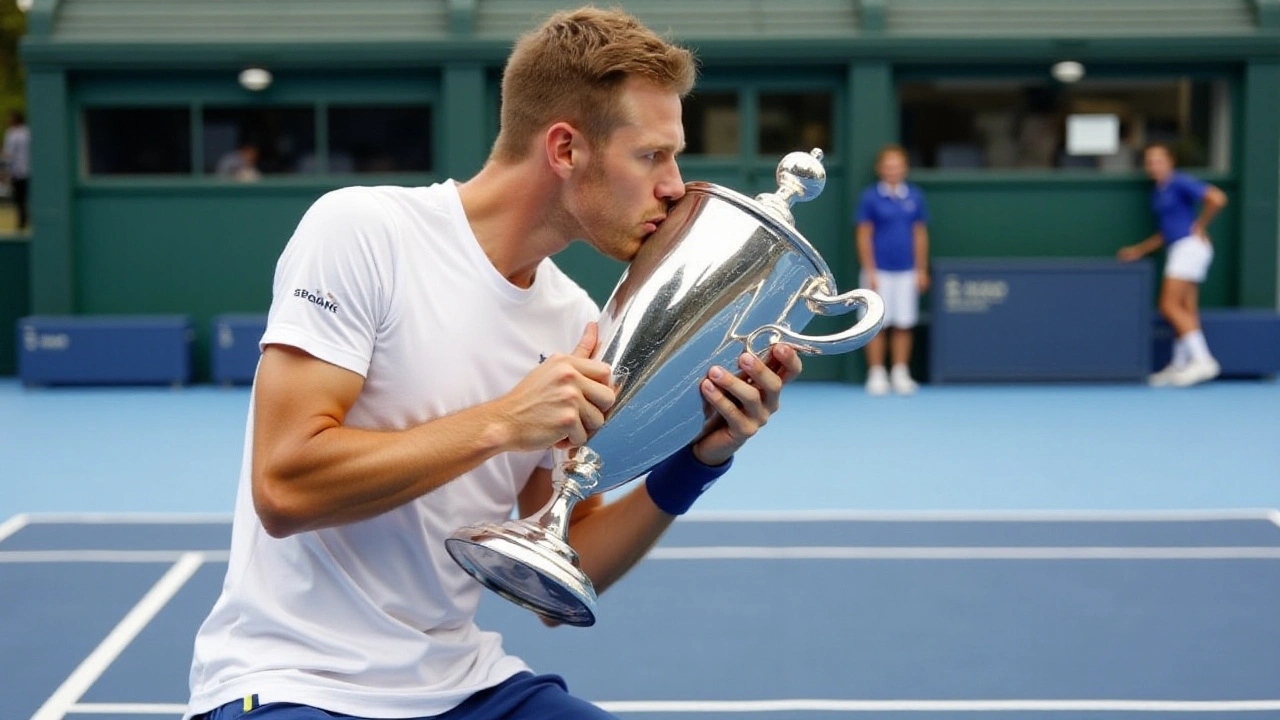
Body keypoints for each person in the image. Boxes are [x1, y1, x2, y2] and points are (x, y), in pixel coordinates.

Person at [184, 7, 802, 720]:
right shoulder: (362, 232)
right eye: (651, 155)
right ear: (566, 149)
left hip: (466, 684)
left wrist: (696, 461)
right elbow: (284, 488)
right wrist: (506, 422)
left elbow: (565, 574)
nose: (675, 185)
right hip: (294, 683)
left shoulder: (577, 320)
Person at [1117, 142, 1227, 387]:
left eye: (1158, 160)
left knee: (1168, 305)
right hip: (1180, 247)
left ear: (1170, 162)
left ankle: (1204, 360)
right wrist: (1139, 250)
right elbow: (1166, 232)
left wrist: (1200, 225)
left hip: (1189, 248)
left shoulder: (1179, 181)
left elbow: (1217, 198)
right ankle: (1179, 365)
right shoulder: (1158, 192)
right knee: (1185, 308)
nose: (1153, 166)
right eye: (1149, 161)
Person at [854, 144, 930, 396]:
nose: (892, 170)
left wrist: (920, 270)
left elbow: (919, 234)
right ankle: (876, 373)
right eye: (888, 166)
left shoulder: (915, 196)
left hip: (907, 271)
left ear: (905, 168)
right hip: (878, 272)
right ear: (880, 169)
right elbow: (864, 235)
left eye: (897, 165)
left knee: (904, 323)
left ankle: (900, 372)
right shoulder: (870, 197)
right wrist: (870, 270)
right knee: (876, 324)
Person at [3, 110, 30, 230]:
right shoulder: (27, 132)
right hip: (27, 169)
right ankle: (24, 220)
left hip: (18, 170)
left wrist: (5, 170)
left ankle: (22, 222)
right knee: (24, 198)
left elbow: (9, 154)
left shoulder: (12, 134)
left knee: (19, 199)